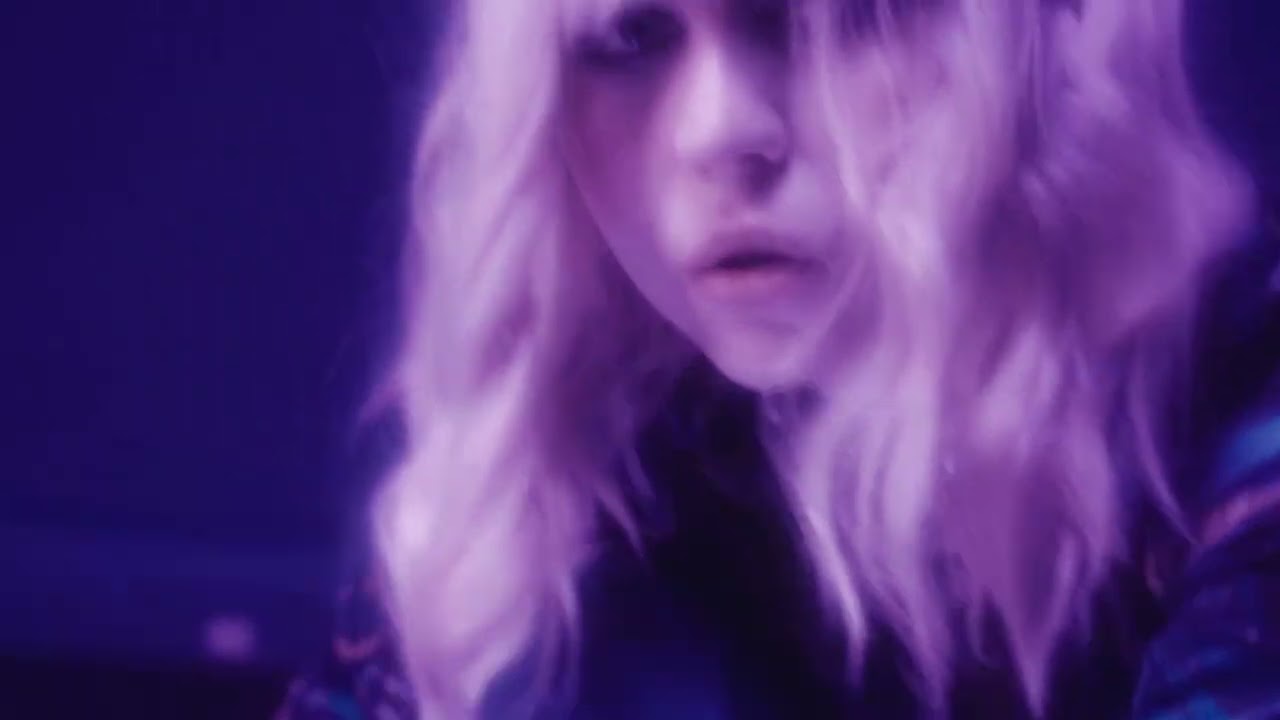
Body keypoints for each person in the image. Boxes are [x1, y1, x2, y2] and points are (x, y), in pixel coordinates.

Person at [277, 0, 1280, 717]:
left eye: (830, 18)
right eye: (629, 36)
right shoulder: (536, 461)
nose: (720, 132)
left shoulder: (1240, 384)